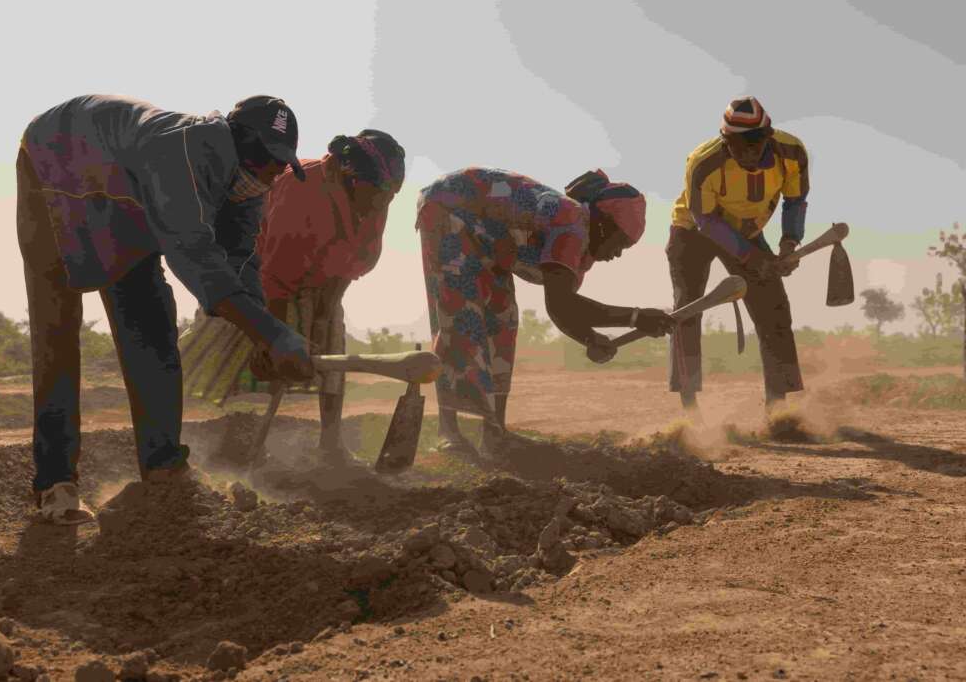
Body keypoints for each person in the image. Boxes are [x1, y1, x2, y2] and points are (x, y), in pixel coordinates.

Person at [18, 94, 315, 524]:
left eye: (281, 165)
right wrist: (272, 334)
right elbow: (194, 254)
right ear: (237, 141)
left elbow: (239, 260)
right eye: (268, 159)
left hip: (125, 201)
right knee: (57, 327)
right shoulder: (185, 149)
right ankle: (55, 482)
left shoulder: (248, 186)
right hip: (57, 162)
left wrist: (261, 337)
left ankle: (162, 466)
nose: (272, 173)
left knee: (153, 328)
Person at [417, 167, 674, 459]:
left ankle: (493, 433)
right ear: (604, 224)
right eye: (621, 243)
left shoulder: (580, 247)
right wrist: (636, 317)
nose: (618, 254)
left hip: (487, 241)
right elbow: (562, 304)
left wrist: (589, 338)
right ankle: (450, 433)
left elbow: (561, 310)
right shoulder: (571, 222)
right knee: (463, 318)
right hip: (449, 207)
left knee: (502, 320)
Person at [250, 129, 405, 458]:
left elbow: (355, 259)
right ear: (351, 178)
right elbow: (275, 275)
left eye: (391, 195)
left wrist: (325, 312)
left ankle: (331, 443)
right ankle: (250, 440)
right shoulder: (302, 189)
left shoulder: (376, 197)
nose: (384, 202)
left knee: (332, 335)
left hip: (321, 276)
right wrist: (277, 338)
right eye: (380, 193)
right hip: (262, 270)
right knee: (273, 353)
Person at [668, 96, 810, 415]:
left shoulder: (792, 153)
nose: (746, 153)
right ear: (725, 140)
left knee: (773, 308)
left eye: (753, 145)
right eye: (737, 145)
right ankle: (690, 412)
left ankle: (778, 410)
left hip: (747, 231)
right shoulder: (703, 163)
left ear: (767, 138)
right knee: (687, 308)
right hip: (692, 231)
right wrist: (752, 258)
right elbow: (706, 221)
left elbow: (795, 201)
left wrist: (789, 244)